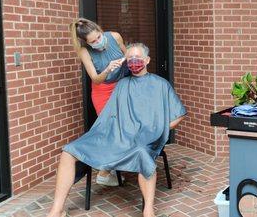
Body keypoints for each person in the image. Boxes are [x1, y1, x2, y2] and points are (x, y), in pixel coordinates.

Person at [46, 43, 187, 217]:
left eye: (137, 58)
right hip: (117, 136)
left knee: (142, 152)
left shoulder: (161, 84)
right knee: (69, 151)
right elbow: (110, 115)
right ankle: (56, 210)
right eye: (130, 59)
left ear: (147, 60)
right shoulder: (122, 84)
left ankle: (148, 210)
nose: (134, 62)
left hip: (144, 139)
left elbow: (179, 114)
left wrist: (158, 128)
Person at [69, 18, 129, 186]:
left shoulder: (115, 37)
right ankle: (105, 172)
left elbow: (128, 56)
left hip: (122, 86)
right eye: (92, 41)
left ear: (100, 31)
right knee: (110, 129)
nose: (97, 42)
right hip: (103, 91)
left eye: (98, 37)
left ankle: (116, 164)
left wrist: (131, 61)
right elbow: (95, 79)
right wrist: (108, 68)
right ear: (86, 42)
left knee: (125, 126)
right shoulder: (85, 52)